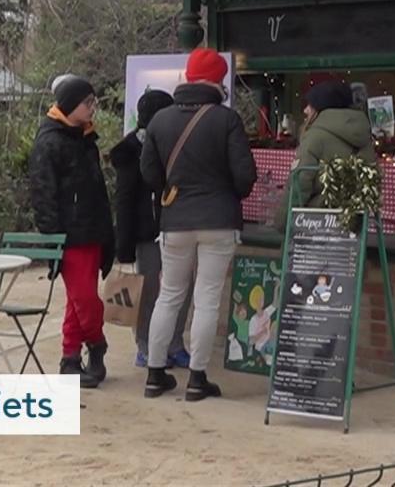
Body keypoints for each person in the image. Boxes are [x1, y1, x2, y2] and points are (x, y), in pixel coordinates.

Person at [138, 48, 256, 401]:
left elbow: (149, 173)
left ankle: (155, 374)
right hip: (219, 219)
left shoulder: (159, 120)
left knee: (169, 296)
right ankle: (197, 378)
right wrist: (226, 194)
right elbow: (244, 176)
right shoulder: (226, 119)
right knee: (206, 300)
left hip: (175, 220)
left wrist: (171, 191)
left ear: (187, 78)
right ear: (218, 81)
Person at [27, 74, 115, 387]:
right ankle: (96, 343)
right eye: (87, 102)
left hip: (92, 230)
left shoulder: (86, 138)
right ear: (69, 105)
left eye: (93, 102)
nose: (93, 108)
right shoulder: (50, 142)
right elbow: (42, 193)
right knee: (84, 299)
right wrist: (52, 236)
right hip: (69, 234)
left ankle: (70, 358)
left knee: (78, 301)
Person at [108, 87, 191, 369]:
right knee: (148, 290)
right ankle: (144, 344)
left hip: (179, 226)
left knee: (181, 288)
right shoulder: (129, 152)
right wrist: (125, 247)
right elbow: (124, 200)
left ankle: (175, 343)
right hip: (147, 232)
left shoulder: (177, 144)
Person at [278, 80, 380, 222]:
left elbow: (299, 186)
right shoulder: (364, 134)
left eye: (310, 105)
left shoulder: (314, 136)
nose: (305, 110)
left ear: (321, 107)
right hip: (354, 224)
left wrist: (283, 222)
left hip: (314, 223)